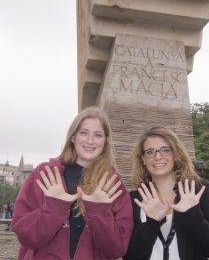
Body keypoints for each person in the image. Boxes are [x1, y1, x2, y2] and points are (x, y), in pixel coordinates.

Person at [11, 106, 133, 260]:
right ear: (73, 137)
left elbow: (117, 249)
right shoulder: (45, 174)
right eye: (83, 133)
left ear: (105, 142)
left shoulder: (113, 184)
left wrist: (100, 211)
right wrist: (53, 208)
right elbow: (27, 237)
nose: (90, 141)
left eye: (98, 135)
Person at [123, 126, 209, 260]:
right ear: (143, 158)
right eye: (150, 152)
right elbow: (130, 256)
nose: (157, 156)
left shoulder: (198, 189)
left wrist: (193, 215)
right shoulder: (135, 199)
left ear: (175, 155)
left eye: (165, 150)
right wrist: (152, 223)